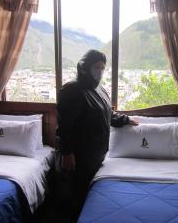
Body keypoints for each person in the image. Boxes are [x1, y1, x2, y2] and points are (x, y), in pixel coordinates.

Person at [56, 49, 138, 221]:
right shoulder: (72, 90)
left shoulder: (100, 90)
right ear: (85, 67)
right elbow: (65, 126)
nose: (100, 71)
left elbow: (107, 114)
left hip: (96, 153)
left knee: (92, 195)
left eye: (103, 68)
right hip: (79, 154)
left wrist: (125, 119)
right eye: (96, 67)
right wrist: (67, 153)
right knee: (78, 196)